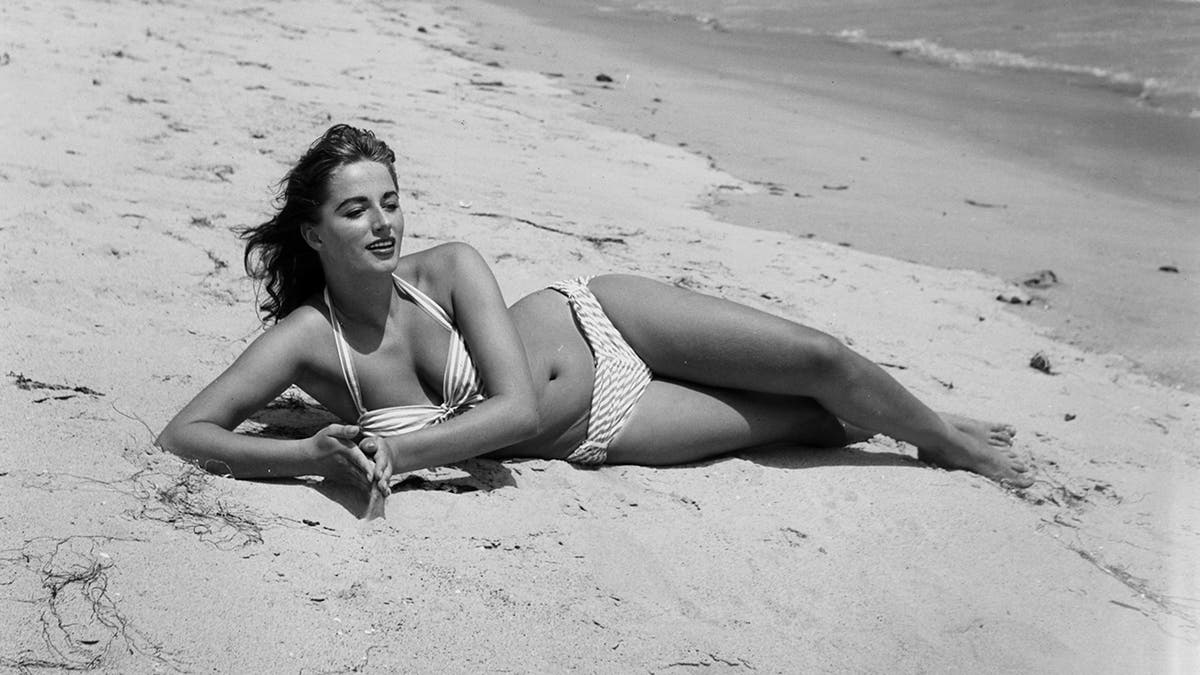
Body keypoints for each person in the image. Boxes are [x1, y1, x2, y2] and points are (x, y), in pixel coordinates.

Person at [156, 124, 1032, 504]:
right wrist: (307, 454)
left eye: (390, 201)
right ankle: (918, 423)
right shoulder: (309, 339)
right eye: (355, 211)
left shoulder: (450, 265)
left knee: (818, 356)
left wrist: (395, 450)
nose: (383, 223)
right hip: (604, 423)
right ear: (312, 230)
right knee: (814, 423)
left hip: (601, 321)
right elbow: (184, 433)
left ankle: (946, 438)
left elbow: (512, 409)